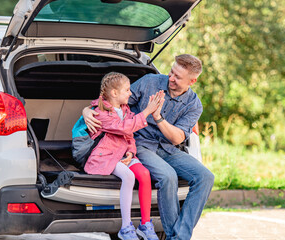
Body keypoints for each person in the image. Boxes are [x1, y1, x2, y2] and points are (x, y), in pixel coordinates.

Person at [84, 54, 215, 240]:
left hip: (168, 148)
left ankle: (179, 236)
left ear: (192, 81)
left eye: (178, 77)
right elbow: (114, 100)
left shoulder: (194, 105)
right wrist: (87, 110)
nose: (171, 78)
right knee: (168, 177)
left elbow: (177, 138)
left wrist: (158, 117)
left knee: (206, 177)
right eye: (171, 72)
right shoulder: (150, 82)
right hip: (140, 144)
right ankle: (175, 237)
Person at [84, 72, 164, 240]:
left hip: (123, 154)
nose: (130, 93)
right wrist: (147, 111)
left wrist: (130, 152)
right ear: (114, 93)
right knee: (128, 176)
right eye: (127, 90)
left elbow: (129, 136)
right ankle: (126, 227)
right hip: (106, 156)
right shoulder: (101, 113)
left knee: (144, 174)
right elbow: (123, 128)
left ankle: (145, 224)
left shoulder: (125, 110)